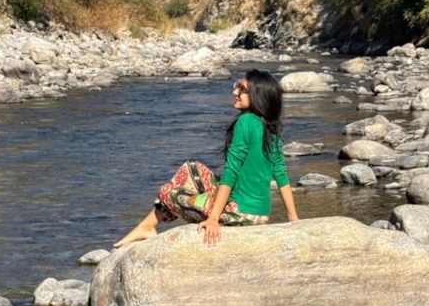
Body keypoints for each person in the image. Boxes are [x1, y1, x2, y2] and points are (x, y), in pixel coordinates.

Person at [114, 69, 299, 247]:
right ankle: (147, 225)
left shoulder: (245, 122)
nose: (235, 92)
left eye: (242, 89)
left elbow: (231, 171)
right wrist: (293, 218)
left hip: (239, 214)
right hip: (260, 213)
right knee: (191, 169)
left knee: (168, 193)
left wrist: (213, 218)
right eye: (236, 86)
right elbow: (280, 173)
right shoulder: (270, 127)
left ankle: (148, 225)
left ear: (257, 96)